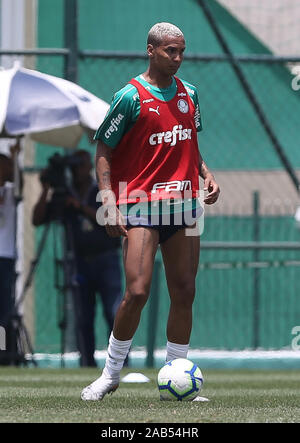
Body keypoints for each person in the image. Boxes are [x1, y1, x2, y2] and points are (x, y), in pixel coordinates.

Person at [81, 22, 220, 400]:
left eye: (181, 51)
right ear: (150, 50)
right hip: (140, 204)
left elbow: (189, 145)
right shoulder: (129, 96)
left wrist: (206, 174)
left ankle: (177, 377)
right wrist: (108, 198)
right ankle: (110, 374)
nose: (176, 58)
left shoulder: (189, 94)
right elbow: (104, 150)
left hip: (186, 205)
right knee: (137, 292)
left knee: (185, 290)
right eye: (169, 51)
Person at [32, 149, 124, 367]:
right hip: (79, 262)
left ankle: (120, 363)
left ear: (89, 167)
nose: (76, 171)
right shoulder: (64, 195)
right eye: (73, 167)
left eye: (80, 165)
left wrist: (80, 207)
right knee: (83, 317)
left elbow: (107, 219)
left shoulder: (100, 192)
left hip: (106, 259)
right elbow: (37, 220)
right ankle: (87, 363)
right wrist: (46, 190)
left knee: (114, 313)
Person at [0, 140, 21, 365]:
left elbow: (19, 183)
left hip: (5, 257)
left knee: (5, 307)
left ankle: (4, 352)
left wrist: (16, 158)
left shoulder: (10, 190)